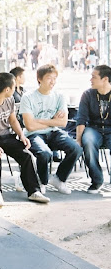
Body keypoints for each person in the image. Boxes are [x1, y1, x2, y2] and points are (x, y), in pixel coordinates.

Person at [0, 72, 49, 207]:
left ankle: (33, 191)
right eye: (14, 87)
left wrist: (21, 135)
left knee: (27, 155)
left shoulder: (10, 100)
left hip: (6, 136)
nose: (15, 90)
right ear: (7, 89)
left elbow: (13, 121)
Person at [19, 64, 82, 194]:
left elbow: (63, 122)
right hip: (33, 135)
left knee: (76, 148)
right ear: (39, 79)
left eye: (54, 78)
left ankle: (59, 178)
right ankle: (42, 181)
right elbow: (30, 126)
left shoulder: (59, 97)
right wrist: (53, 121)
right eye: (49, 78)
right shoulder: (28, 97)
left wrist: (39, 120)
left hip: (54, 132)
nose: (52, 81)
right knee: (44, 153)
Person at [76, 65, 111, 193]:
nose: (91, 80)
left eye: (94, 77)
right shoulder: (88, 94)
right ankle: (97, 180)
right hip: (93, 129)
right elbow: (81, 119)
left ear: (105, 79)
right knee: (88, 142)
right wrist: (78, 140)